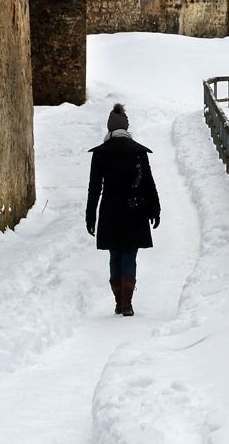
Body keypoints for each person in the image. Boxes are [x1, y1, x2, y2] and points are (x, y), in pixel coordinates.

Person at [86, 103, 161, 317]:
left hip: (110, 210)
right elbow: (148, 183)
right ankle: (126, 303)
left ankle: (119, 302)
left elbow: (94, 188)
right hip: (134, 210)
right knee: (129, 254)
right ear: (126, 127)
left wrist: (90, 216)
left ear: (110, 128)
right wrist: (155, 209)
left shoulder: (101, 154)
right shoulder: (137, 152)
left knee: (115, 255)